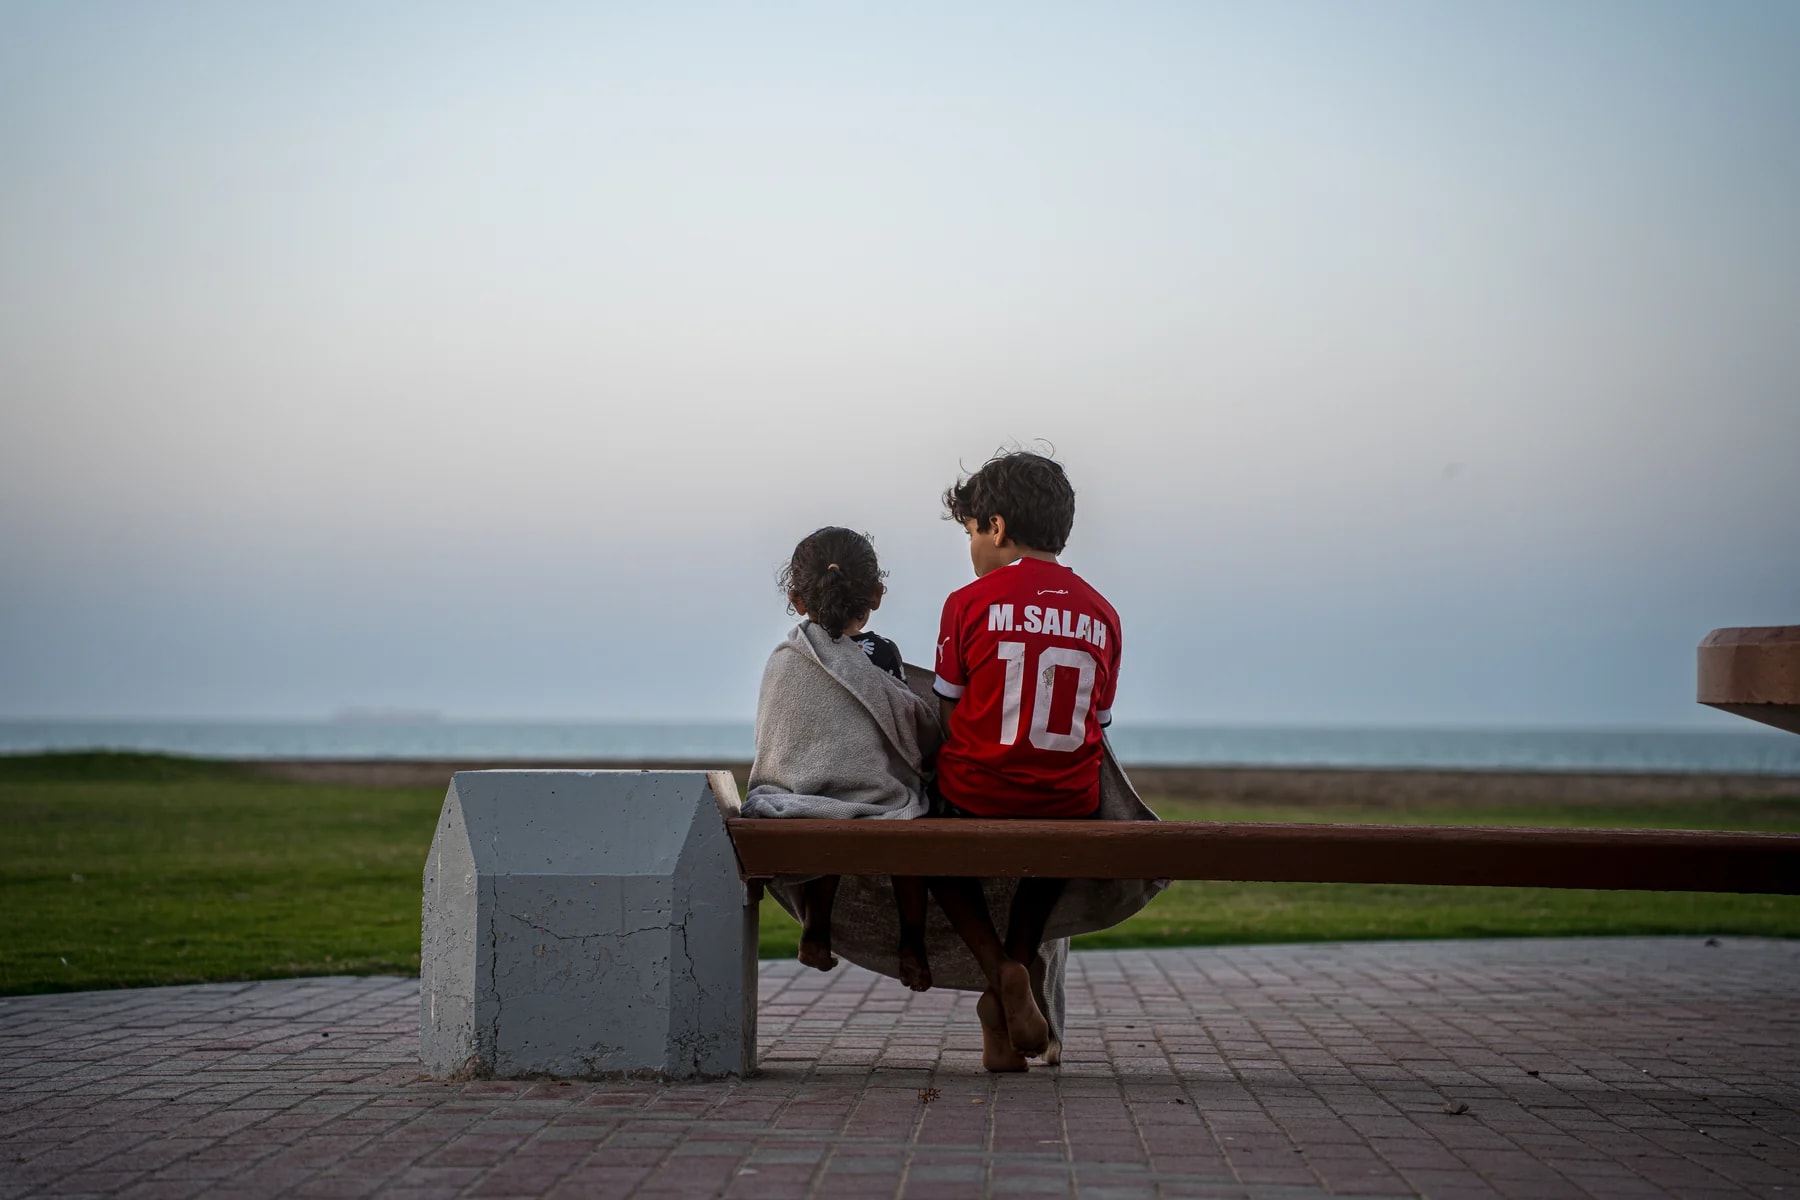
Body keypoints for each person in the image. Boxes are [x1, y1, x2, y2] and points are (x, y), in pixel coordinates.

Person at [928, 450, 1122, 1071]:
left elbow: (945, 713)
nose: (971, 548)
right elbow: (1098, 724)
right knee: (1059, 839)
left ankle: (1002, 971)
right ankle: (1010, 989)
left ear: (998, 526)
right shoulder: (1103, 614)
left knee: (930, 843)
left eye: (970, 532)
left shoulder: (968, 602)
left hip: (976, 793)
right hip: (1068, 803)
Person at [740, 527, 939, 991]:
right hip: (878, 802)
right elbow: (904, 727)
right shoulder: (881, 653)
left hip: (800, 798)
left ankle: (816, 926)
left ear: (796, 598)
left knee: (826, 800)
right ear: (876, 594)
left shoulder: (785, 658)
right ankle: (912, 941)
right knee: (907, 817)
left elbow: (778, 734)